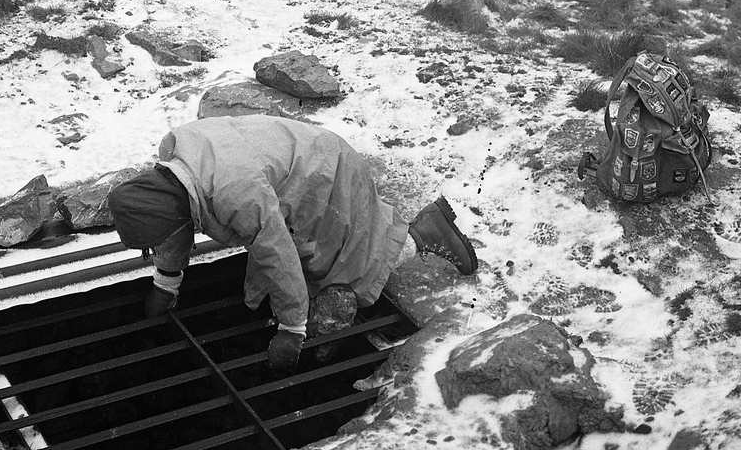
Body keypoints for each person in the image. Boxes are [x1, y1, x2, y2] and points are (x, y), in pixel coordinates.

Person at [107, 115, 478, 374]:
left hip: (322, 173)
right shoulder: (175, 166)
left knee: (345, 270)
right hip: (290, 164)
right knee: (313, 264)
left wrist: (292, 330)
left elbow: (277, 254)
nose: (159, 247)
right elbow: (173, 228)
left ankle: (426, 235)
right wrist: (166, 283)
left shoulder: (237, 195)